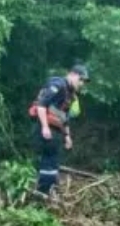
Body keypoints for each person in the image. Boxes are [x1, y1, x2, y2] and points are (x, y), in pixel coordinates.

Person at [28, 64, 89, 200]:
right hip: (45, 127)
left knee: (54, 160)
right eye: (81, 80)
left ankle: (51, 189)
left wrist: (68, 137)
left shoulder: (70, 95)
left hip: (55, 130)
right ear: (73, 75)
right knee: (49, 160)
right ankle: (42, 194)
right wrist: (44, 127)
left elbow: (64, 118)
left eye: (84, 82)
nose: (82, 84)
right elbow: (41, 105)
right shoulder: (57, 85)